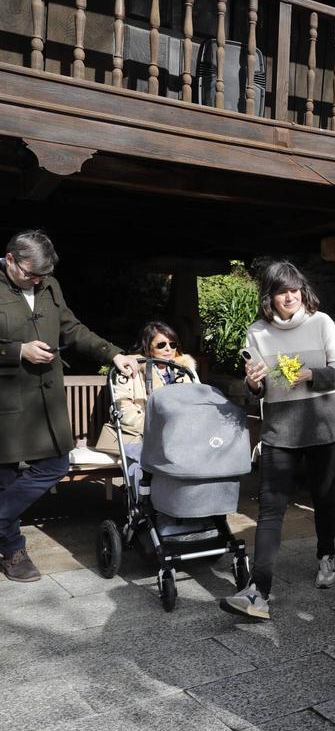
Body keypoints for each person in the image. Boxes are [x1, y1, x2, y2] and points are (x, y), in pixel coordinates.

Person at [0, 230, 140, 582]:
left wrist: (114, 353)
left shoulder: (50, 286)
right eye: (31, 274)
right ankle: (13, 549)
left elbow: (72, 328)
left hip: (47, 403)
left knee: (57, 463)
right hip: (5, 402)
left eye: (43, 275)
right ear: (11, 259)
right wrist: (18, 351)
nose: (37, 280)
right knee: (4, 480)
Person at [221, 261, 335, 620]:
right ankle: (257, 590)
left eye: (294, 288)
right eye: (282, 291)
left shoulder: (321, 322)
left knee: (322, 494)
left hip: (325, 426)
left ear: (302, 290)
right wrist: (253, 381)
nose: (290, 295)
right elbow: (258, 388)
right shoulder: (257, 333)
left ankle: (326, 554)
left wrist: (311, 374)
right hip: (280, 429)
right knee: (271, 506)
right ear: (271, 297)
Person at [96, 321, 199, 486]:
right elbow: (123, 409)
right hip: (144, 434)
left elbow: (197, 404)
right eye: (161, 344)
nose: (168, 349)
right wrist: (156, 426)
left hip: (181, 435)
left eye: (173, 344)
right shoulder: (130, 370)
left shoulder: (184, 371)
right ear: (148, 347)